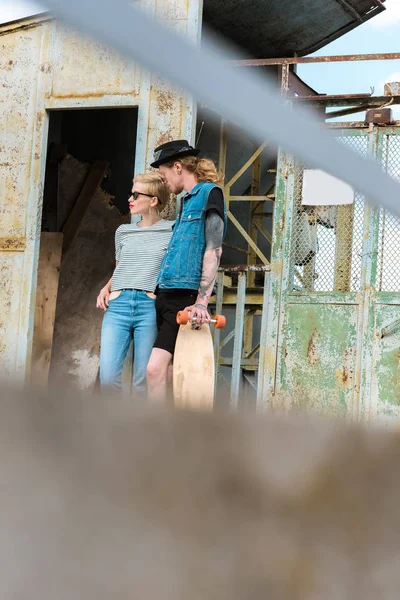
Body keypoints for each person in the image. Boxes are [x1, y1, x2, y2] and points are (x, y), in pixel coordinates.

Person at [146, 140, 227, 401]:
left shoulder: (209, 194)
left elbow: (214, 250)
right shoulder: (185, 202)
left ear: (178, 167)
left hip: (184, 298)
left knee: (154, 370)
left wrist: (202, 303)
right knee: (172, 375)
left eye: (164, 174)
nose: (164, 181)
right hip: (167, 294)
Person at [96, 173, 172, 394]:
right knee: (108, 379)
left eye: (136, 194)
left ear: (154, 200)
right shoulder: (123, 231)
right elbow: (122, 268)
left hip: (148, 306)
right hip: (117, 305)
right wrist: (106, 287)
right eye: (131, 193)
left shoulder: (171, 230)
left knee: (143, 382)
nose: (130, 198)